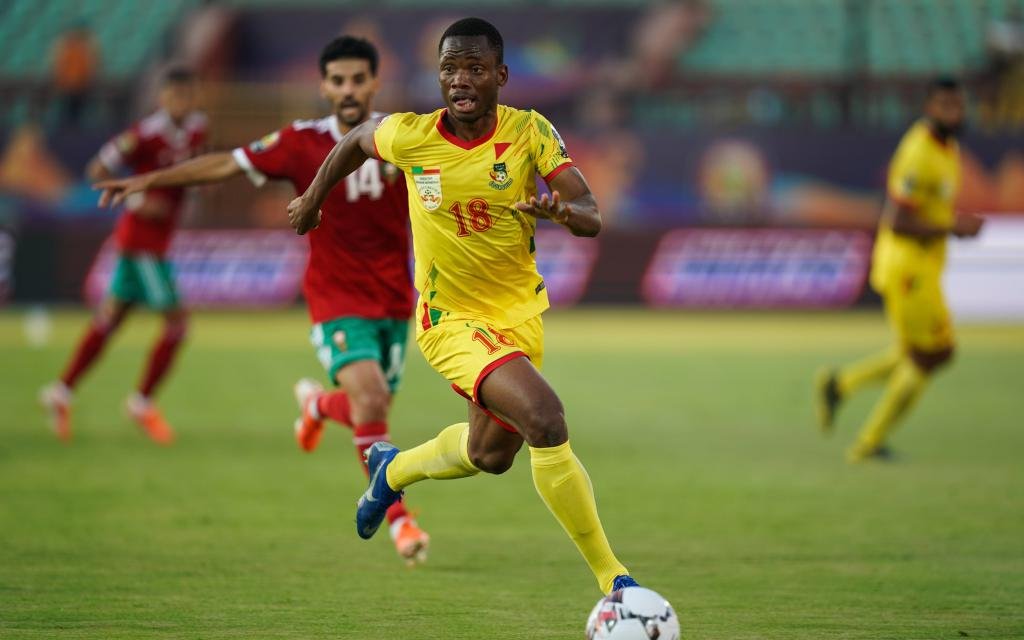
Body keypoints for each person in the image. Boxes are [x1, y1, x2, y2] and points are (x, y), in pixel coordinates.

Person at [287, 17, 637, 594]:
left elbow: (592, 211)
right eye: (450, 68)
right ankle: (615, 580)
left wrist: (566, 214)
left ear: (500, 75)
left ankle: (390, 470)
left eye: (474, 68)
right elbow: (352, 141)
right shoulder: (411, 135)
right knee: (546, 420)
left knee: (490, 453)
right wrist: (312, 200)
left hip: (518, 316)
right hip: (448, 320)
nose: (460, 79)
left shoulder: (529, 133)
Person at [91, 37, 430, 564]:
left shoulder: (400, 134)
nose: (347, 90)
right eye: (337, 80)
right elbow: (224, 164)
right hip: (333, 295)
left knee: (371, 403)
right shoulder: (299, 142)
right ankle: (400, 521)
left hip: (391, 300)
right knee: (371, 401)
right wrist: (149, 180)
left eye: (357, 79)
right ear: (323, 86)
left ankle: (315, 404)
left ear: (374, 82)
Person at [815, 78, 985, 462]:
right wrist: (953, 227)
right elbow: (898, 221)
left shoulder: (948, 148)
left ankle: (840, 386)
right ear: (928, 107)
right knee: (934, 355)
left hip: (922, 265)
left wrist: (948, 224)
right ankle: (868, 443)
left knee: (915, 352)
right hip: (908, 268)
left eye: (958, 105)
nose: (953, 113)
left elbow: (929, 209)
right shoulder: (918, 152)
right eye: (945, 105)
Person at [40, 66, 206, 446]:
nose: (180, 102)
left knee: (112, 318)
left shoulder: (198, 129)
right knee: (178, 323)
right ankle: (142, 402)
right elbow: (97, 168)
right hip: (141, 243)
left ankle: (61, 392)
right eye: (174, 95)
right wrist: (138, 198)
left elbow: (191, 171)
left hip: (153, 242)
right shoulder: (144, 135)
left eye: (186, 95)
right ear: (162, 98)